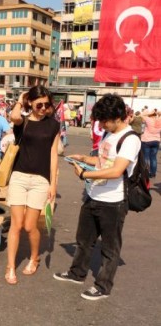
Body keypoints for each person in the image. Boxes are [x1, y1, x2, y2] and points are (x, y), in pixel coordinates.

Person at [54, 94, 141, 301]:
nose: (102, 124)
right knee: (84, 240)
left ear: (118, 116)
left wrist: (85, 174)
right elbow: (103, 161)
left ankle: (103, 286)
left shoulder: (130, 139)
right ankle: (77, 273)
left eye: (104, 120)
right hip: (94, 195)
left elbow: (116, 170)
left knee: (110, 248)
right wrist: (84, 159)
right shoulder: (108, 135)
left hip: (114, 200)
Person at [5, 85, 60, 285]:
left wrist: (53, 184)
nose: (44, 108)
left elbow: (54, 155)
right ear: (31, 102)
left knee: (30, 226)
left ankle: (34, 257)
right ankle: (10, 266)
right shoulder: (24, 121)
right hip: (19, 176)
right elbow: (14, 117)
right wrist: (21, 99)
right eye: (40, 104)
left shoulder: (53, 125)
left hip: (40, 181)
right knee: (16, 225)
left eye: (47, 104)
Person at [140, 109, 161, 178]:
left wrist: (148, 113)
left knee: (146, 157)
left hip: (146, 140)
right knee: (153, 158)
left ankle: (145, 172)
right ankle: (153, 173)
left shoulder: (148, 119)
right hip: (156, 140)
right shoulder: (159, 120)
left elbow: (140, 115)